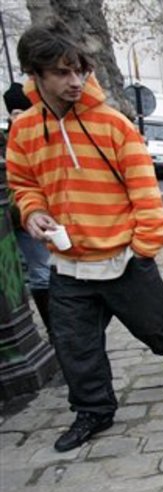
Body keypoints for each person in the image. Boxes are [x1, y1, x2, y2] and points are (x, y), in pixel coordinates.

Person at [6, 21, 163, 453]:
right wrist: (32, 211)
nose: (75, 81)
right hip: (68, 264)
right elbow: (23, 183)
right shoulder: (24, 131)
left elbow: (144, 189)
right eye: (61, 72)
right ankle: (93, 410)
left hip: (122, 259)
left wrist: (144, 249)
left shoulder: (112, 124)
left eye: (79, 70)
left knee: (158, 328)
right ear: (35, 74)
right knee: (75, 346)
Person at [4, 82, 52, 338]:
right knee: (40, 272)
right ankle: (56, 330)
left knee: (48, 270)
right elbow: (19, 182)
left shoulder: (41, 132)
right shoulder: (9, 139)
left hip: (49, 215)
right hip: (21, 218)